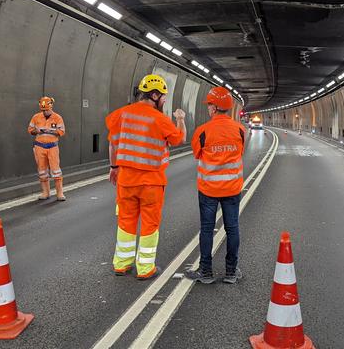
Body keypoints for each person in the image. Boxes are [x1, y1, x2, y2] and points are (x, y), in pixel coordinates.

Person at [105, 74, 187, 280]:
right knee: (150, 224)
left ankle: (122, 264)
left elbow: (113, 144)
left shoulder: (120, 115)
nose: (164, 101)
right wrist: (180, 120)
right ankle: (145, 268)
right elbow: (180, 139)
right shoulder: (159, 119)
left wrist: (114, 167)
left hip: (125, 180)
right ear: (155, 95)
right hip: (151, 182)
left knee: (125, 221)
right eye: (163, 97)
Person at [185, 87, 246, 284]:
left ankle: (206, 272)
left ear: (214, 107)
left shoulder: (202, 131)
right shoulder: (239, 129)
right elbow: (240, 152)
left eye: (210, 104)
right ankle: (230, 272)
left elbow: (197, 154)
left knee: (207, 229)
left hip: (208, 190)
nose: (209, 108)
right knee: (233, 228)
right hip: (232, 189)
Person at [28, 96, 66, 201]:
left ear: (51, 107)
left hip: (52, 147)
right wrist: (37, 131)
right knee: (42, 171)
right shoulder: (36, 117)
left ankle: (60, 193)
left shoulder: (58, 117)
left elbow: (62, 131)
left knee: (56, 170)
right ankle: (45, 192)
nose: (44, 112)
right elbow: (30, 130)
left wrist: (50, 131)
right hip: (39, 146)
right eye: (43, 110)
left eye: (46, 110)